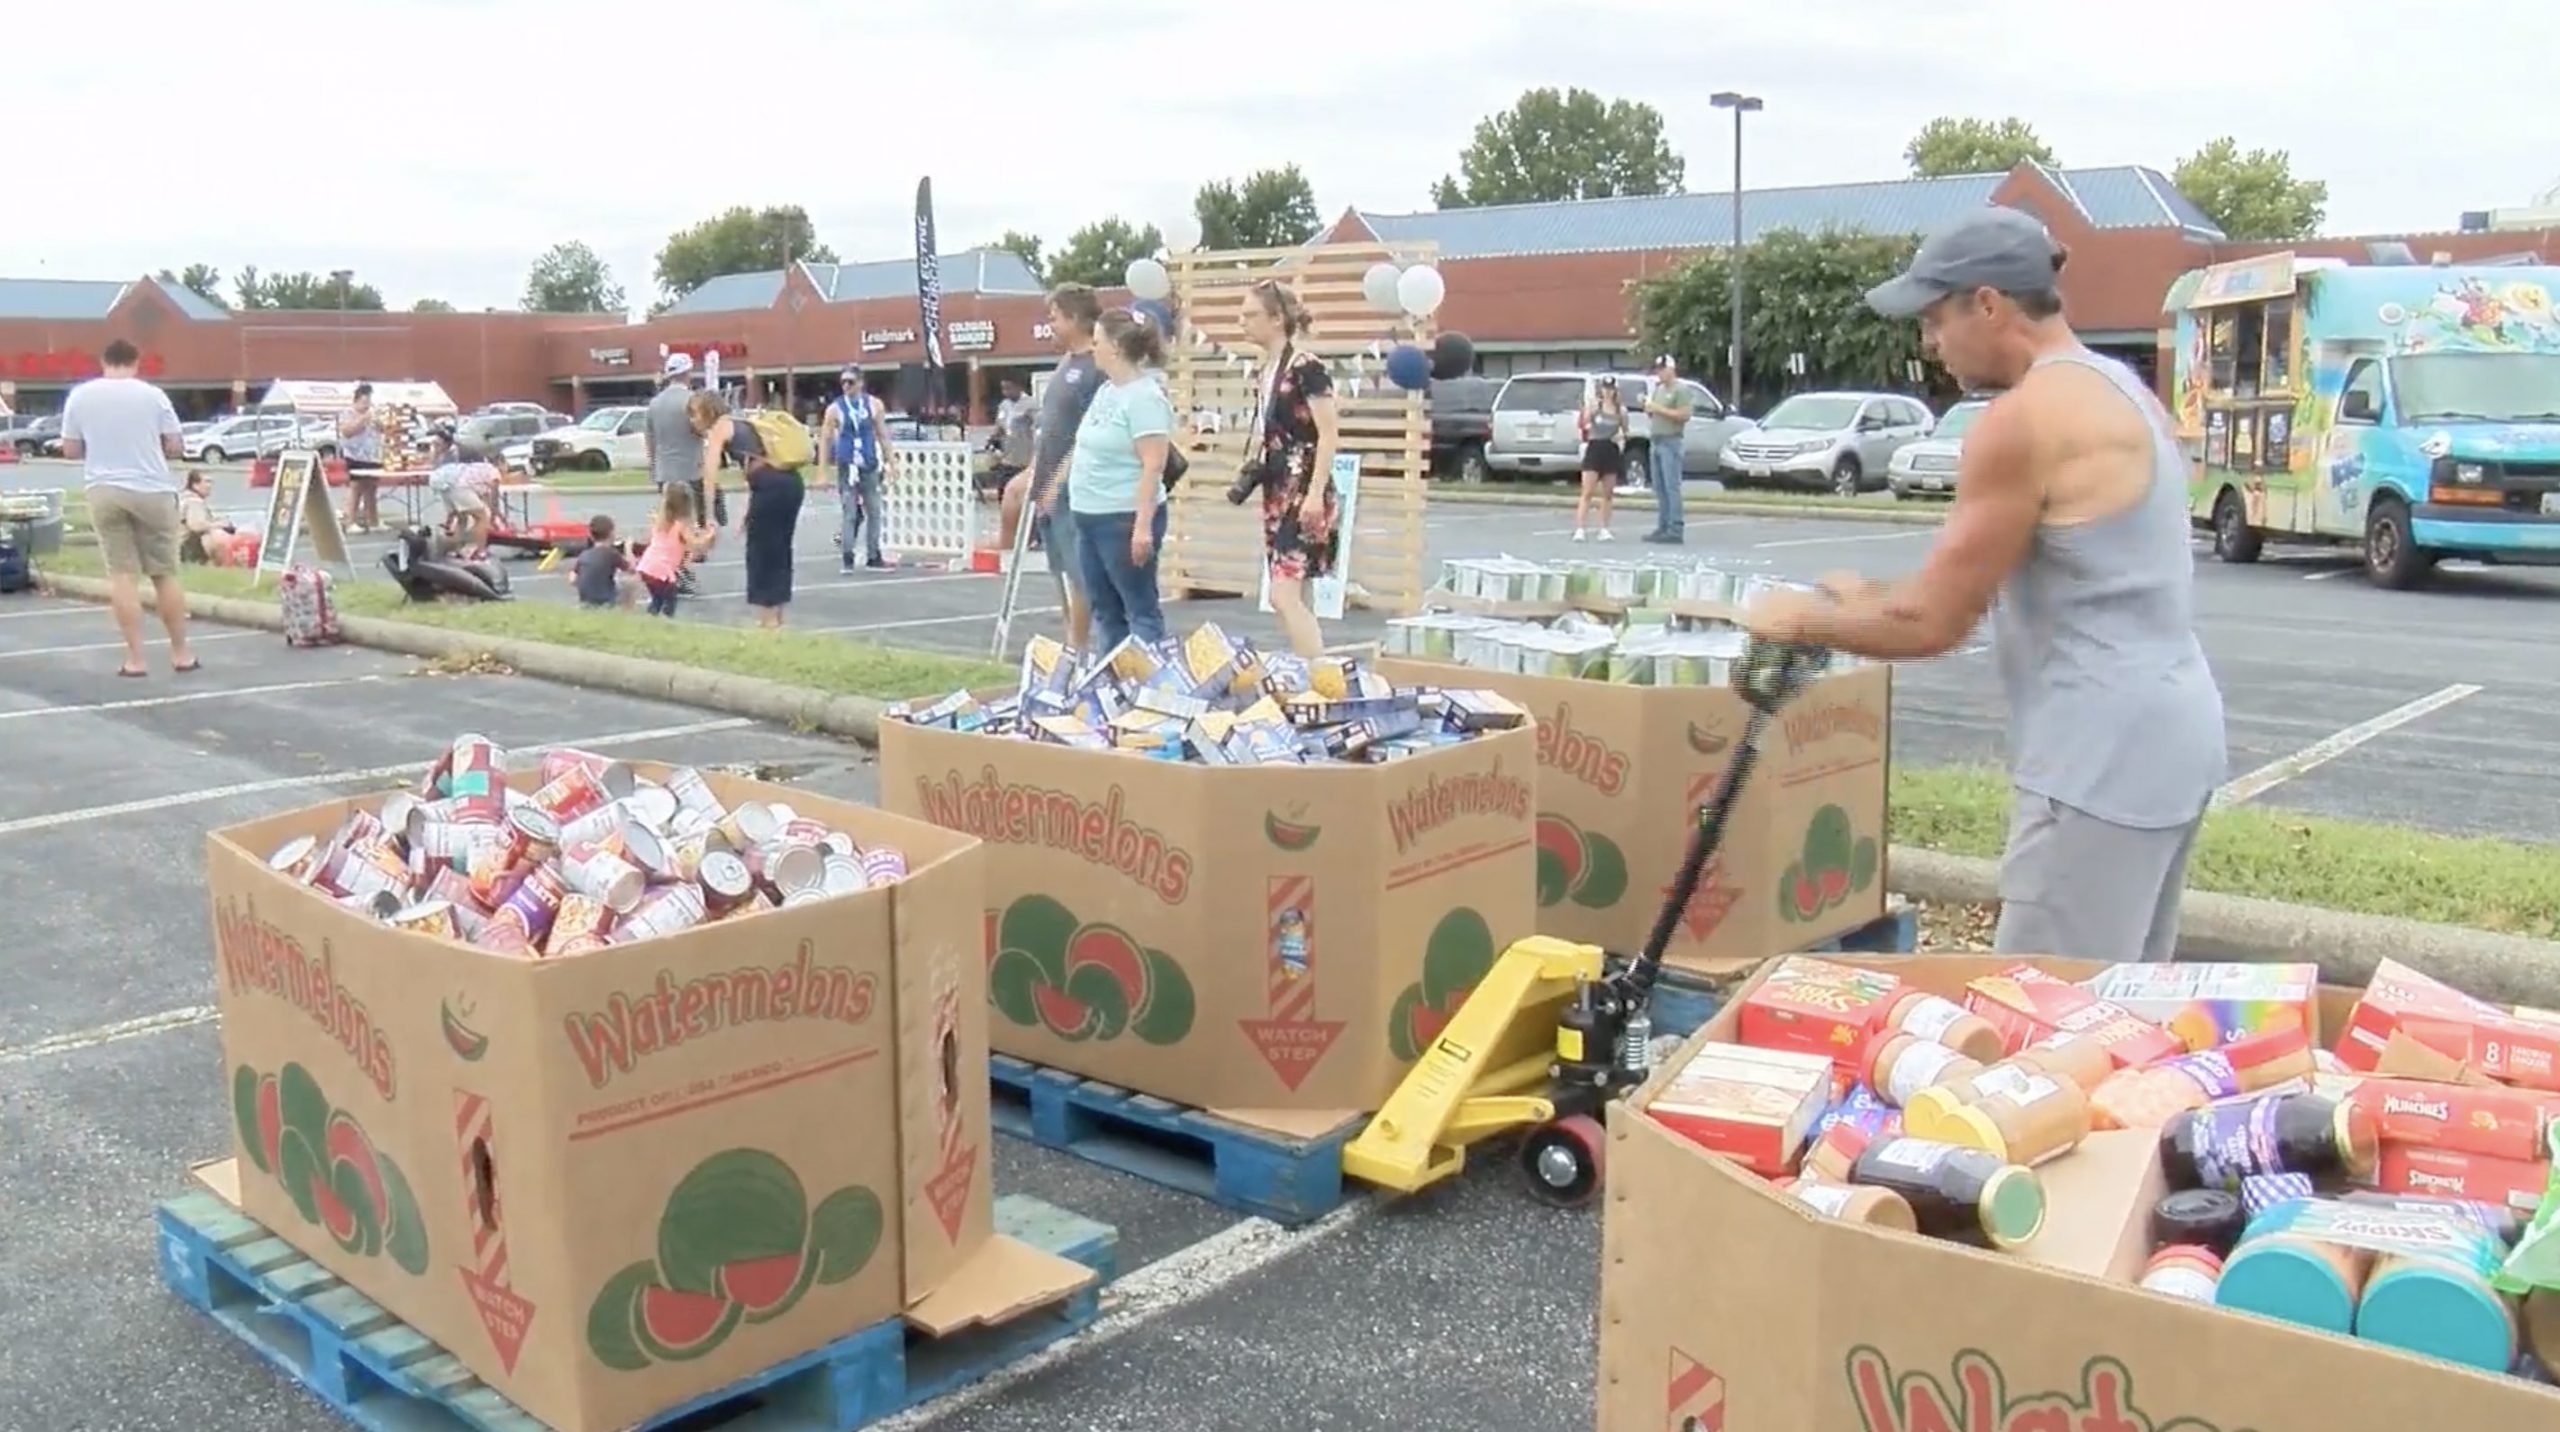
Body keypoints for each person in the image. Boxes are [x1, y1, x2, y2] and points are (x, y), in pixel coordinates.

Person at [1741, 206, 2226, 965]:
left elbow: (1934, 621)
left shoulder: (2021, 420)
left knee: (2040, 1020)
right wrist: (1858, 598)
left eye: (1935, 318)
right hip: (2171, 736)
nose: (1929, 343)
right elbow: (2026, 572)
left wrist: (1798, 619)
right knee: (2117, 1014)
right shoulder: (2119, 388)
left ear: (1989, 304)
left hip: (2097, 761)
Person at [61, 339, 197, 676]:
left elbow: (70, 450)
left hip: (104, 488)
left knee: (122, 575)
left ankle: (135, 659)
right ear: (136, 362)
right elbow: (176, 445)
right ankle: (181, 654)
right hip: (152, 488)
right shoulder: (153, 395)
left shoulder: (80, 395)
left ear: (103, 361)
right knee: (164, 573)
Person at [1238, 278, 1342, 658]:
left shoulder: (1306, 367)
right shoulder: (1266, 370)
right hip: (1278, 485)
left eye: (1251, 315)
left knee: (1283, 594)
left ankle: (1319, 671)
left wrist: (1315, 494)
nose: (1242, 323)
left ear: (1277, 318)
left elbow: (1329, 433)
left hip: (1304, 486)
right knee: (1293, 593)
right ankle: (1310, 666)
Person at [1066, 308, 1176, 650]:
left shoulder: (1144, 397)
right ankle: (1112, 680)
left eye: (1097, 342)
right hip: (1089, 515)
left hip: (1121, 517)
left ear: (1115, 347)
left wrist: (1142, 526)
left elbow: (1152, 465)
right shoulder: (1107, 391)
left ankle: (1150, 680)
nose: (1092, 348)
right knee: (1105, 609)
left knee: (1138, 608)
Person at [1027, 283, 1104, 648]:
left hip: (1074, 489)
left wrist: (1058, 481)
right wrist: (1035, 475)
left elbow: (1087, 433)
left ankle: (1080, 649)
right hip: (1048, 483)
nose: (1051, 324)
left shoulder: (1095, 367)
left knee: (1081, 575)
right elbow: (1050, 428)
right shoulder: (1066, 364)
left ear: (1074, 318)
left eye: (1055, 317)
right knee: (1060, 570)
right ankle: (1072, 645)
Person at [691, 392, 805, 629]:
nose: (692, 420)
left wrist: (710, 518)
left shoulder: (719, 428)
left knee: (760, 554)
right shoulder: (745, 423)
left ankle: (766, 620)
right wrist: (747, 511)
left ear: (706, 411)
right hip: (791, 483)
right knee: (780, 550)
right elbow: (755, 468)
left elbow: (709, 475)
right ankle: (777, 616)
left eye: (694, 413)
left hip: (770, 487)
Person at [820, 365, 897, 572]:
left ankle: (874, 555)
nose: (846, 386)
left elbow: (882, 435)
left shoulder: (873, 405)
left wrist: (892, 462)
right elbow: (825, 440)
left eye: (850, 382)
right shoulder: (835, 408)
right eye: (843, 382)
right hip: (847, 465)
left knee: (874, 510)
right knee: (850, 512)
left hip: (869, 462)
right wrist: (822, 470)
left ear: (861, 383)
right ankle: (847, 556)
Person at [633, 483, 711, 618]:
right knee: (669, 601)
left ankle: (650, 620)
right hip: (663, 569)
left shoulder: (660, 521)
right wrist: (709, 535)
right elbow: (695, 543)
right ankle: (665, 623)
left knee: (657, 599)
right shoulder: (681, 526)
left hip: (648, 566)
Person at [1639, 356, 1692, 544]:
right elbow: (1654, 412)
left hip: (1671, 441)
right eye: (1657, 370)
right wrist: (1648, 408)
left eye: (1662, 369)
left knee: (1671, 486)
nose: (1659, 373)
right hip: (1656, 440)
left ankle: (1675, 528)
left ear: (1671, 369)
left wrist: (1658, 409)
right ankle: (1663, 526)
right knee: (1659, 487)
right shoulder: (1658, 390)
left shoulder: (1681, 389)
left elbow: (1684, 415)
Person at [1574, 377, 1626, 542]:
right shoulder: (1596, 407)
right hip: (1595, 448)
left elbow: (1625, 430)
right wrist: (1588, 411)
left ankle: (1604, 528)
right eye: (1605, 388)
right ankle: (1580, 528)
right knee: (1587, 492)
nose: (1608, 392)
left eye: (1610, 389)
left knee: (1608, 493)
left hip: (1610, 449)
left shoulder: (1620, 411)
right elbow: (1584, 423)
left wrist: (1621, 436)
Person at [989, 374, 1036, 535]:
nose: (1006, 392)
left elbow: (1038, 428)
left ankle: (1029, 532)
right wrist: (993, 438)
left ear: (1019, 387)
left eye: (1009, 388)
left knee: (1023, 498)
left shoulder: (1031, 405)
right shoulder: (1004, 405)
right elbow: (1000, 426)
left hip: (1023, 459)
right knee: (1004, 494)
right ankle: (1008, 530)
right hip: (1007, 458)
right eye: (1003, 388)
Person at [337, 382, 385, 533]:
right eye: (364, 402)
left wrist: (379, 424)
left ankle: (373, 521)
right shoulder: (348, 413)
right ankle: (350, 521)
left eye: (369, 401)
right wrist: (363, 419)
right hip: (355, 455)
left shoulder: (373, 414)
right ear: (356, 400)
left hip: (373, 455)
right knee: (356, 487)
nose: (367, 405)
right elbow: (347, 431)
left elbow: (382, 429)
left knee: (371, 488)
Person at [571, 515, 637, 609]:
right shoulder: (611, 554)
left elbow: (572, 579)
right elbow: (632, 569)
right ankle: (626, 614)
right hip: (605, 599)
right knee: (631, 582)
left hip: (586, 599)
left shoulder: (584, 554)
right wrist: (628, 548)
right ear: (611, 534)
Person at [177, 470, 239, 566]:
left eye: (211, 482)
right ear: (195, 485)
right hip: (185, 547)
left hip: (174, 545)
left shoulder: (183, 497)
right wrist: (220, 525)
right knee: (216, 534)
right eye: (206, 482)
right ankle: (223, 566)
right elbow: (196, 525)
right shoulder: (194, 501)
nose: (210, 486)